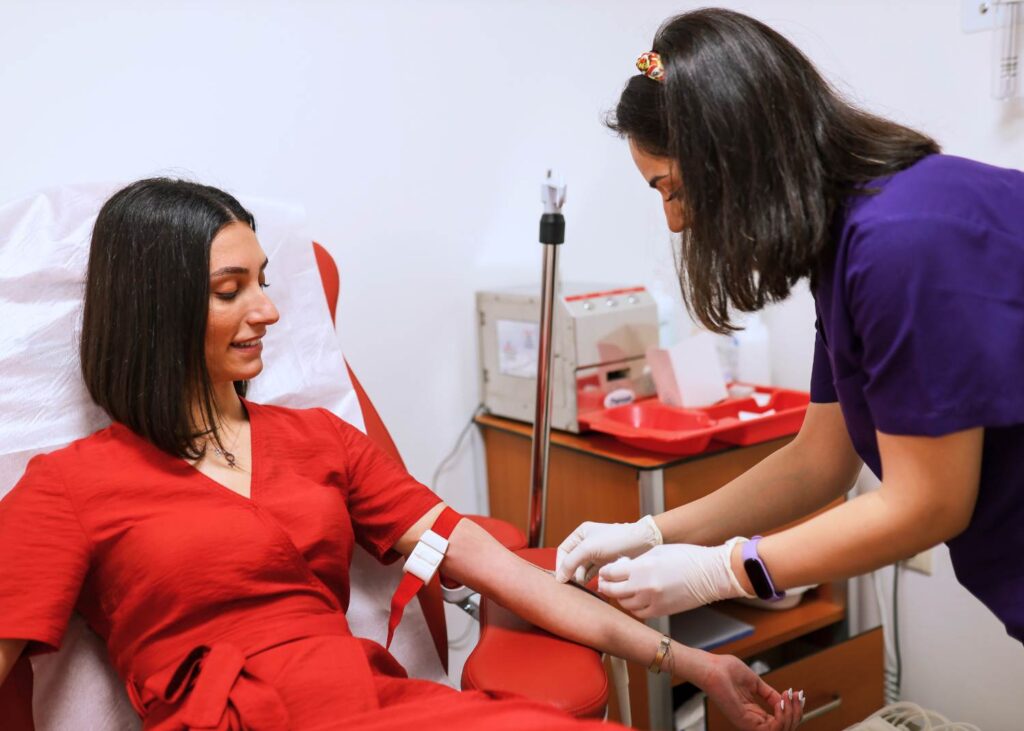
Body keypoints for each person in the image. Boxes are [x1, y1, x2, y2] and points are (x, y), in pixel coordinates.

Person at [0, 179, 804, 730]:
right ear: (153, 307)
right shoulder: (68, 486)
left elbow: (509, 573)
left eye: (265, 281)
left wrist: (692, 664)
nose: (270, 310)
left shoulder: (318, 440)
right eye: (230, 289)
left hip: (380, 705)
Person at [556, 7, 1024, 646]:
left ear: (731, 156)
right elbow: (821, 459)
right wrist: (654, 532)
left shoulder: (902, 242)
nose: (675, 222)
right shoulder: (851, 242)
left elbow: (929, 504)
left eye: (672, 188)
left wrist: (721, 572)